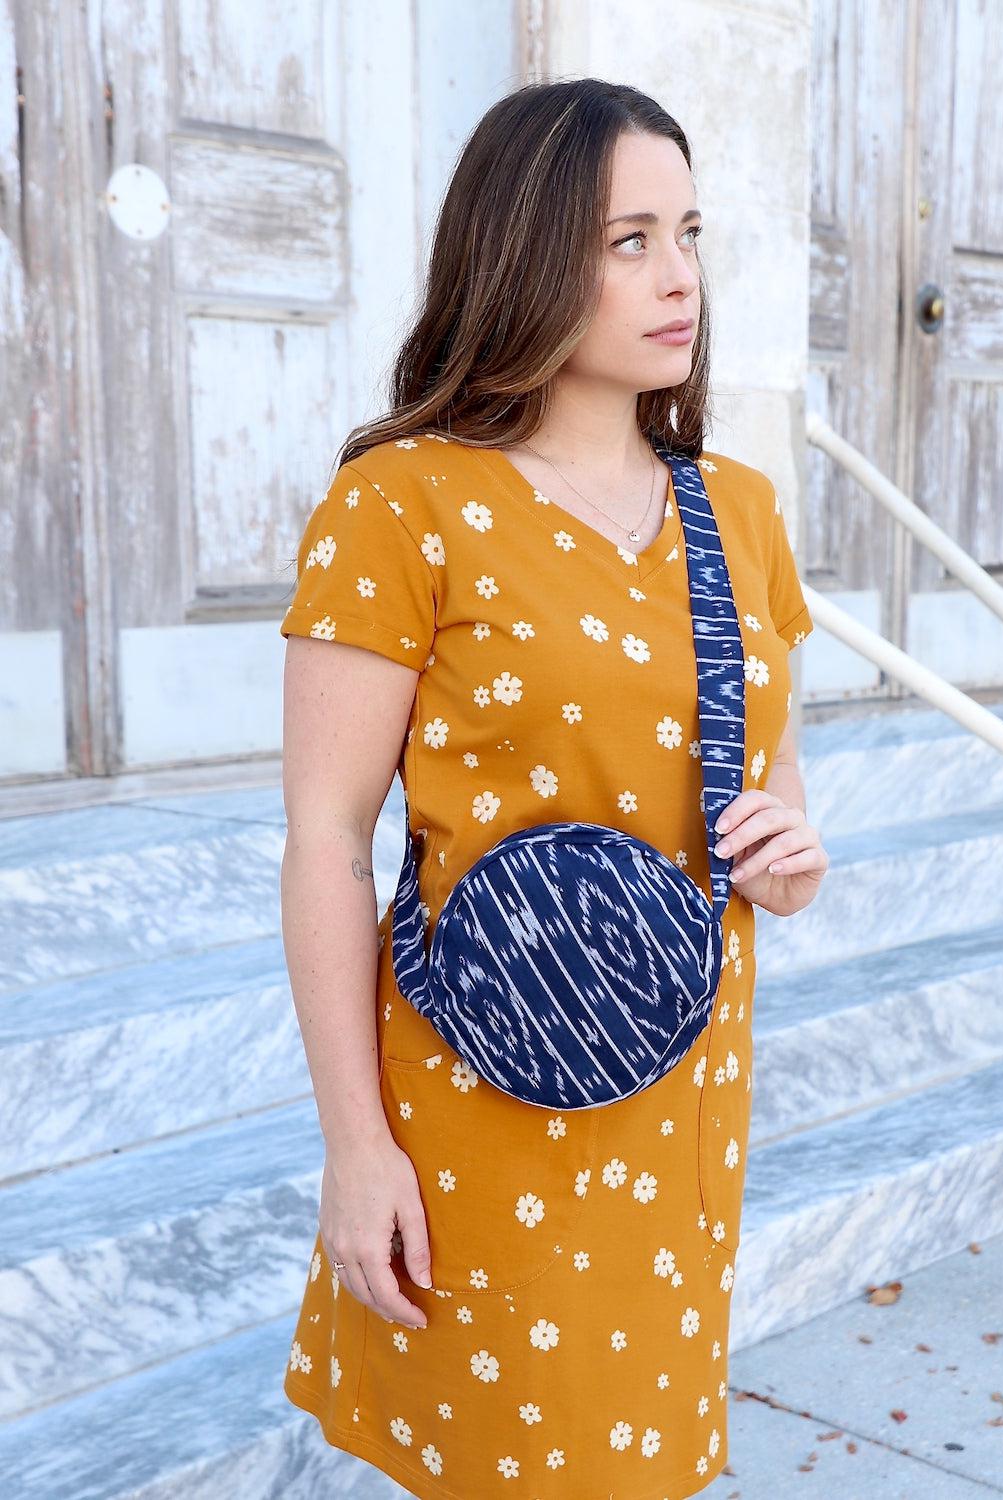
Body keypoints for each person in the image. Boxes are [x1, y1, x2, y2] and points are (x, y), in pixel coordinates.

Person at [277, 75, 826, 1500]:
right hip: (479, 1098)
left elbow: (771, 803)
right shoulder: (405, 503)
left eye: (688, 231)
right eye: (627, 239)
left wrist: (790, 860)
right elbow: (327, 844)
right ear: (521, 255)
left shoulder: (742, 516)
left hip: (681, 1090)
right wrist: (356, 1149)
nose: (679, 275)